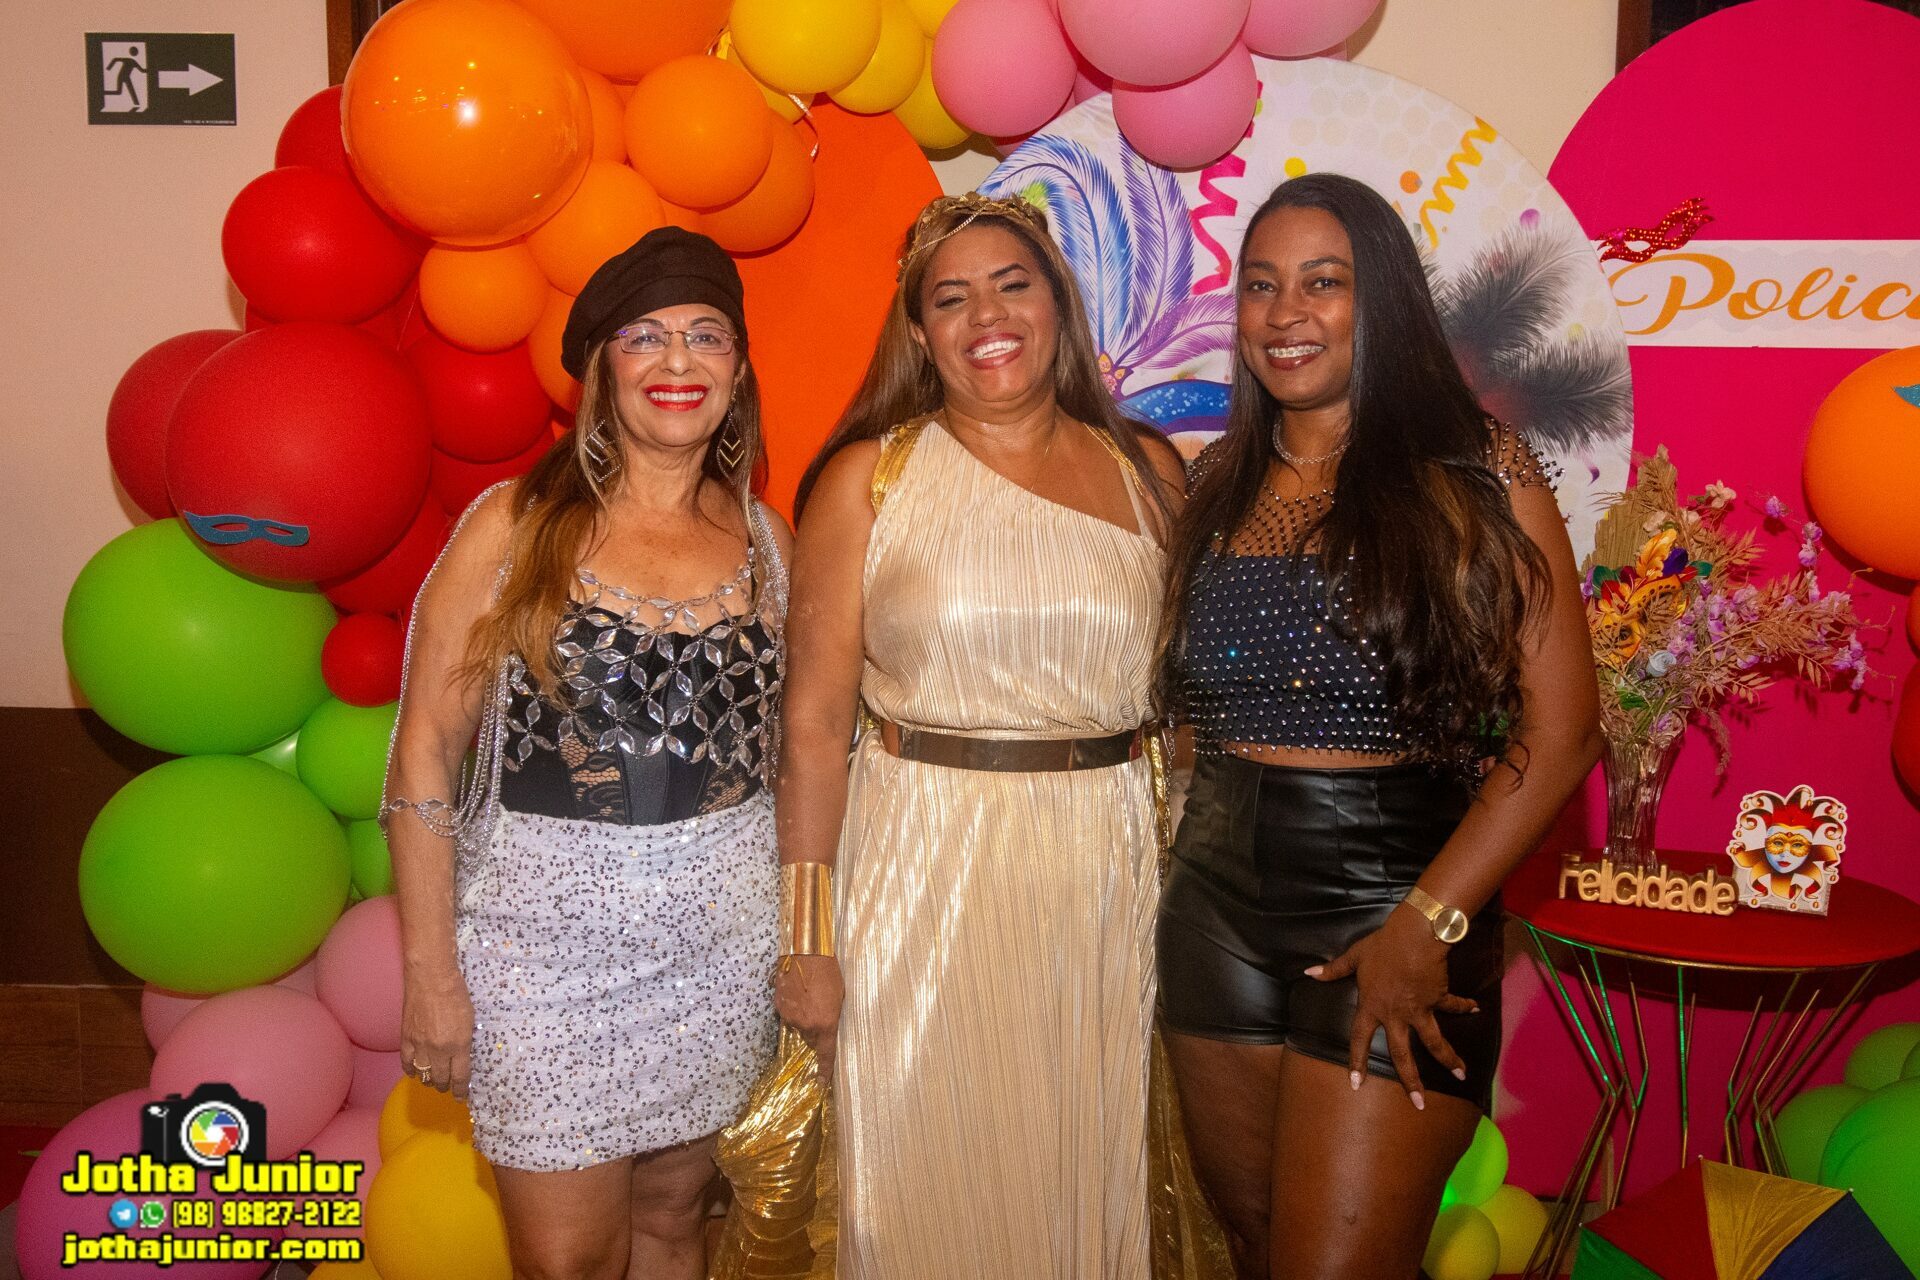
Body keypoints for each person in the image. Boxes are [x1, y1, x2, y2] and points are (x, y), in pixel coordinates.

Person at [1156, 173, 1601, 1280]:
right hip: (1213, 910)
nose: (1286, 312)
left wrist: (1429, 924)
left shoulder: (1477, 471)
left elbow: (1563, 731)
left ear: (1384, 299)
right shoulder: (1215, 484)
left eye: (1324, 282)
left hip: (1395, 902)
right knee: (1256, 1248)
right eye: (1262, 285)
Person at [773, 191, 1188, 1279]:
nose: (986, 316)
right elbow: (812, 726)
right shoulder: (870, 478)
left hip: (1103, 877)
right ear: (920, 333)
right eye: (951, 299)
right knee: (921, 1185)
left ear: (1059, 304)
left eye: (1013, 285)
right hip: (918, 870)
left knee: (1082, 1173)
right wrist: (807, 937)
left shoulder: (1150, 472)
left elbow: (1189, 711)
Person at [383, 227, 790, 1280]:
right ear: (600, 370)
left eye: (706, 335)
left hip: (722, 956)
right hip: (540, 963)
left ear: (739, 368)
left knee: (673, 1219)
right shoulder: (514, 526)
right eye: (644, 336)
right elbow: (424, 755)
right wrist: (431, 974)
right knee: (565, 1259)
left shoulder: (769, 541)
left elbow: (794, 757)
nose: (677, 360)